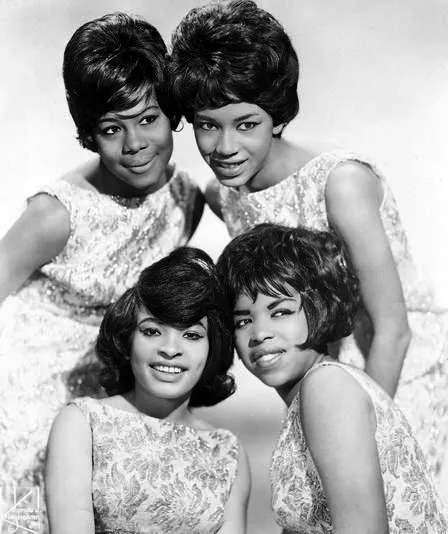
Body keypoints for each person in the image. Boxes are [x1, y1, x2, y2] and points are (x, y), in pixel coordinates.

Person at [168, 0, 448, 478]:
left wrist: (361, 437)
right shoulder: (225, 194)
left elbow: (393, 328)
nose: (226, 146)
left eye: (247, 124)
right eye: (208, 125)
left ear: (278, 116)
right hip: (316, 381)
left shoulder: (339, 183)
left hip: (398, 377)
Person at [0, 12, 203, 530]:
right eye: (112, 128)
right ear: (89, 133)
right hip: (26, 391)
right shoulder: (57, 213)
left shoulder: (185, 201)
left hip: (110, 385)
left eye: (148, 118)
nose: (134, 144)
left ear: (174, 112)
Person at [216, 223, 447, 533]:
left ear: (318, 307)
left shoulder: (327, 388)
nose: (260, 333)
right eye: (243, 321)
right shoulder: (314, 391)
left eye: (280, 312)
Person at [45, 247, 250, 534]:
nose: (169, 349)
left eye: (191, 335)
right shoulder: (83, 423)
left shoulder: (227, 452)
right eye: (152, 331)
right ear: (127, 340)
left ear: (213, 349)